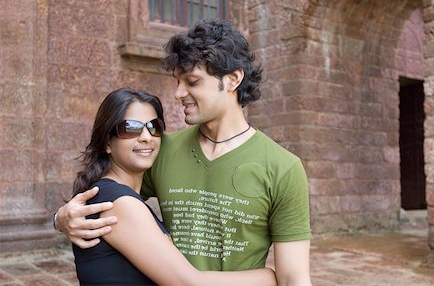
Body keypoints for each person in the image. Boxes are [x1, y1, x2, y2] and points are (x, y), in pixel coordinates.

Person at [55, 19, 312, 285]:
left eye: (192, 81)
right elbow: (106, 195)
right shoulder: (159, 149)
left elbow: (294, 278)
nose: (179, 93)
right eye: (178, 81)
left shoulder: (283, 168)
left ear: (233, 79)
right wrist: (61, 218)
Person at [70, 87, 277, 285]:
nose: (146, 137)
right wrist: (271, 277)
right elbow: (189, 283)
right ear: (107, 142)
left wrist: (58, 220)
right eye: (130, 128)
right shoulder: (119, 204)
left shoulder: (113, 193)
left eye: (154, 127)